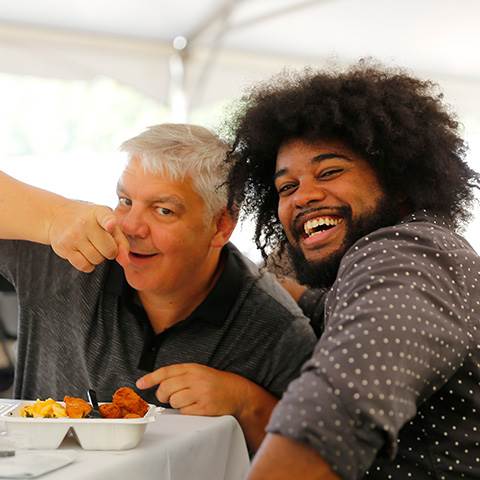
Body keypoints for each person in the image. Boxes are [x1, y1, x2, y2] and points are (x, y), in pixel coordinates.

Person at [226, 62, 480, 478]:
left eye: (329, 172)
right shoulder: (416, 258)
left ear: (396, 181)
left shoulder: (404, 252)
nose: (303, 196)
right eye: (286, 187)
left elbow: (336, 411)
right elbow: (337, 307)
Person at [0, 123, 317, 451]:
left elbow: (321, 458)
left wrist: (248, 404)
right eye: (125, 200)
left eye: (163, 210)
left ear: (221, 225)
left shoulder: (274, 328)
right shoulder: (70, 252)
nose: (132, 226)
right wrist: (54, 217)